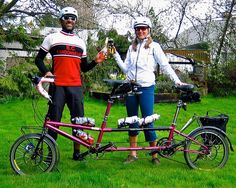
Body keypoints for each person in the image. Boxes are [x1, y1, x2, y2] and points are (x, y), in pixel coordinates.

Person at [112, 16, 185, 165]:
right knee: (132, 120)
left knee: (148, 120)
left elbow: (164, 65)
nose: (140, 31)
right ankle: (133, 154)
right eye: (138, 29)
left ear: (148, 30)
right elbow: (126, 69)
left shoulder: (154, 47)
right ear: (135, 31)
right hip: (131, 87)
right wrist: (115, 55)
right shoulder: (131, 47)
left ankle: (154, 155)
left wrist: (176, 81)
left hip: (146, 87)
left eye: (143, 28)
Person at [35, 6, 105, 160]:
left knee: (78, 121)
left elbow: (84, 68)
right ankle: (49, 155)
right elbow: (38, 59)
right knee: (54, 121)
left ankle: (77, 152)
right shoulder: (52, 38)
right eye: (66, 17)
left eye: (73, 18)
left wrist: (95, 61)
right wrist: (47, 73)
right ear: (61, 19)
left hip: (75, 86)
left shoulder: (80, 42)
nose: (70, 20)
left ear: (75, 21)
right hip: (58, 86)